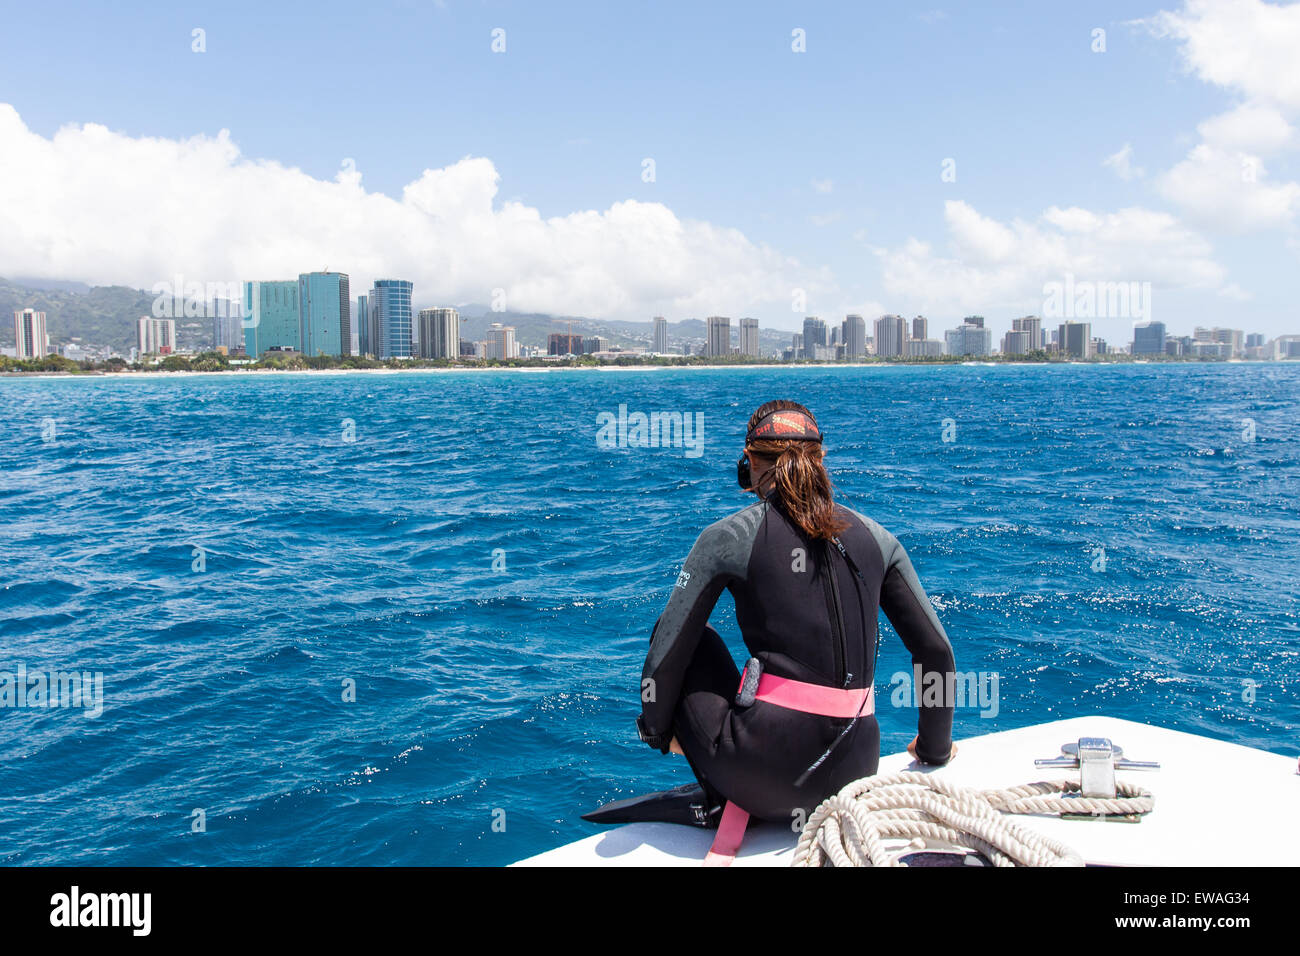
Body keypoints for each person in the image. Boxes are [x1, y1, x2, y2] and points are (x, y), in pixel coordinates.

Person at [636, 399, 958, 863]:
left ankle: (710, 773)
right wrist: (933, 748)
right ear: (821, 460)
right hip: (856, 772)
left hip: (764, 778)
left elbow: (665, 657)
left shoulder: (728, 536)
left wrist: (655, 729)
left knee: (691, 640)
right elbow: (936, 651)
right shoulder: (879, 537)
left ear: (749, 462)